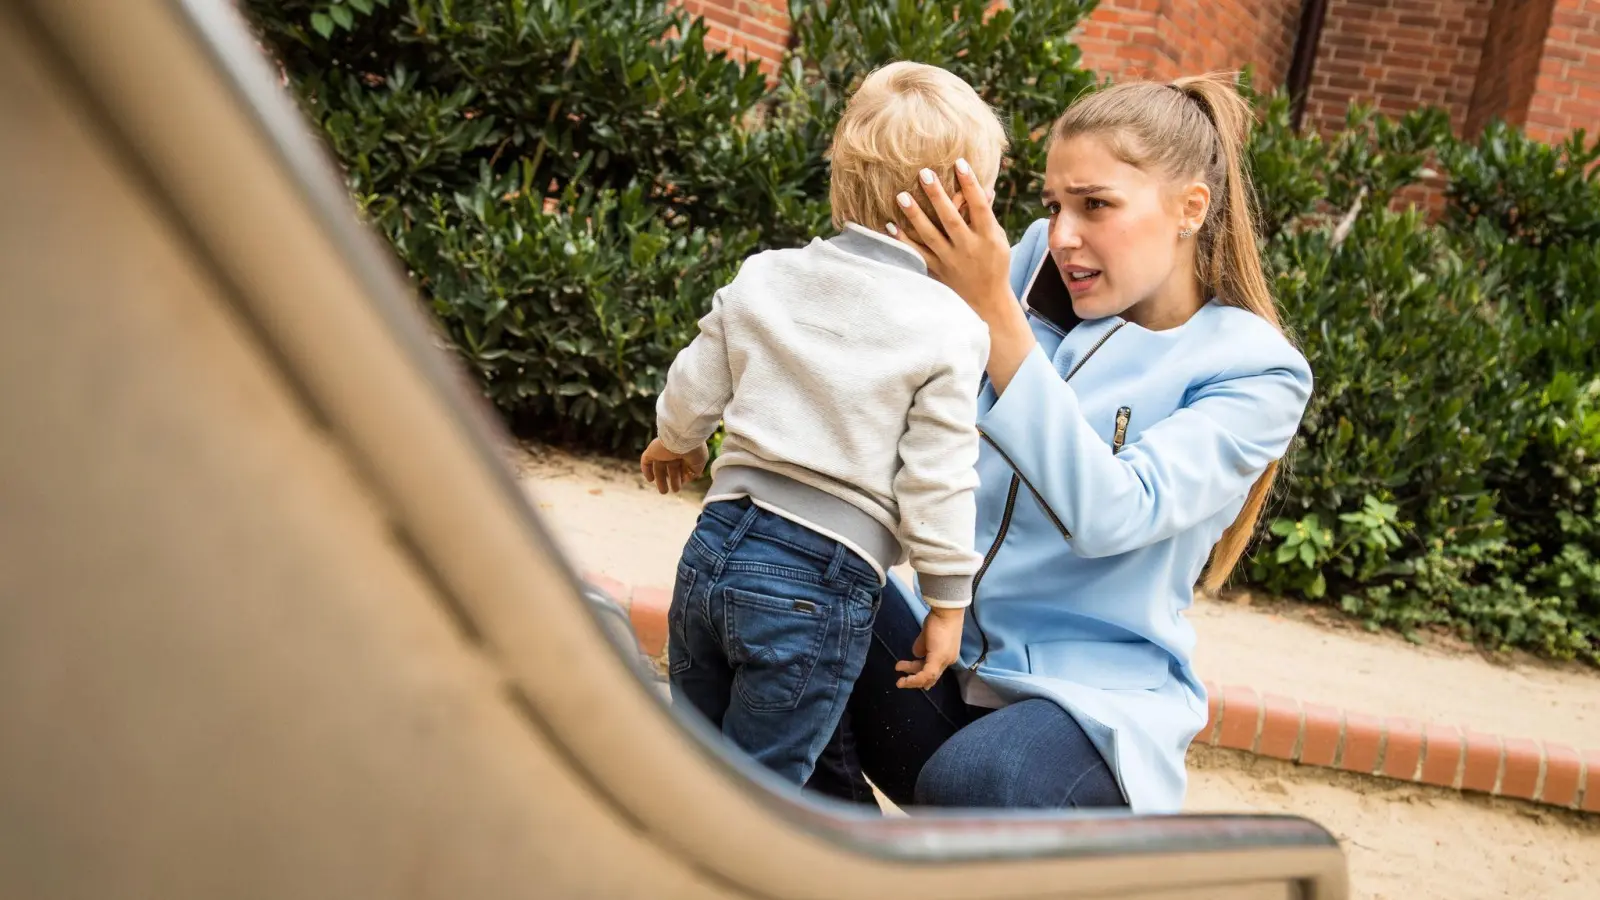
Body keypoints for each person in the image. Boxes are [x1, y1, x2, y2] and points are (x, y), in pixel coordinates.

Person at [805, 74, 1315, 814]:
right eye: (1054, 205)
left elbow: (1114, 514)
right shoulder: (1037, 264)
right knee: (779, 594)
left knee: (977, 780)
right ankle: (840, 866)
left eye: (1096, 205)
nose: (1064, 232)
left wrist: (1000, 323)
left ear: (1189, 209)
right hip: (947, 667)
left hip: (1088, 716)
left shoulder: (1254, 370)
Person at [638, 62, 1008, 786]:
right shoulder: (951, 328)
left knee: (693, 765)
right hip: (816, 579)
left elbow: (696, 377)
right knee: (765, 792)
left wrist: (674, 438)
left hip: (711, 551)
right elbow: (936, 475)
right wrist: (946, 600)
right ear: (959, 207)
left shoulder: (767, 274)